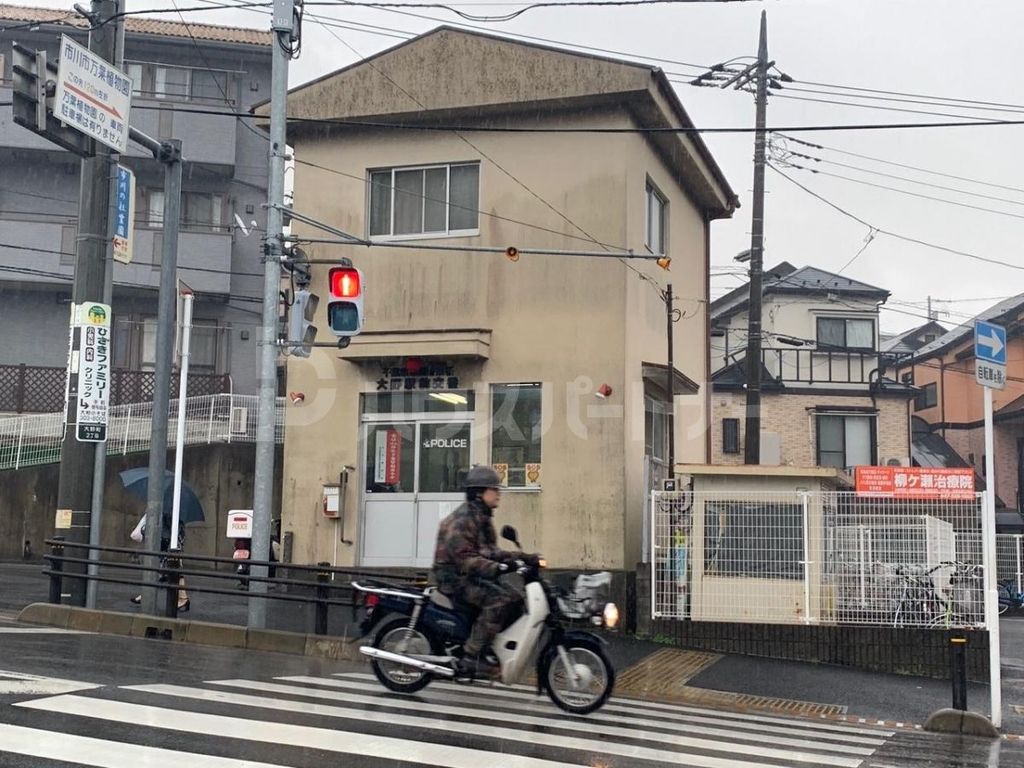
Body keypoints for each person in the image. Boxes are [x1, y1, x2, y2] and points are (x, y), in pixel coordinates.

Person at [433, 465, 521, 678]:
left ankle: (486, 643)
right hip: (453, 578)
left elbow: (488, 550)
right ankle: (472, 656)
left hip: (470, 575)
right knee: (498, 600)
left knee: (516, 598)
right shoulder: (462, 520)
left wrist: (521, 558)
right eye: (494, 489)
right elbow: (464, 558)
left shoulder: (481, 517)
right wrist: (495, 567)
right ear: (479, 493)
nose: (499, 493)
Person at [129, 508, 190, 612]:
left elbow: (165, 527)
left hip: (169, 543)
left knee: (172, 572)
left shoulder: (168, 509)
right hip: (172, 541)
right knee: (169, 572)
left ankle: (183, 599)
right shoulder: (176, 509)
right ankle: (145, 595)